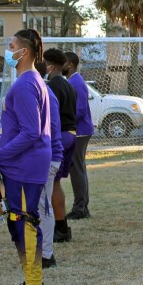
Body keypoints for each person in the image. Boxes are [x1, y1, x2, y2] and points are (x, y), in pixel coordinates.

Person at [0, 30, 52, 285]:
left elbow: (31, 132)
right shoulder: (30, 81)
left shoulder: (26, 84)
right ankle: (31, 280)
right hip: (21, 165)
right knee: (18, 222)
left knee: (25, 224)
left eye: (11, 46)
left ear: (25, 52)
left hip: (24, 167)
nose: (8, 51)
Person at [43, 49, 76, 243]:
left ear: (51, 66)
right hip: (71, 134)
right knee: (55, 183)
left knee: (51, 184)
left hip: (60, 135)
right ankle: (61, 225)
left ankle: (59, 227)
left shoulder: (53, 86)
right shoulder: (67, 84)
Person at [34, 60, 65, 268]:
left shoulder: (44, 92)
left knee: (43, 206)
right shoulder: (41, 90)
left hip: (47, 157)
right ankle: (43, 250)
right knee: (40, 205)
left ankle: (46, 253)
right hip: (45, 156)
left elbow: (48, 127)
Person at [64, 51, 93, 220]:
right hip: (78, 130)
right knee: (77, 168)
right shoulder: (72, 81)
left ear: (71, 65)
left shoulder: (76, 82)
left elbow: (80, 109)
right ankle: (82, 207)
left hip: (79, 132)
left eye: (64, 63)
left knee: (77, 169)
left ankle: (80, 208)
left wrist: (66, 124)